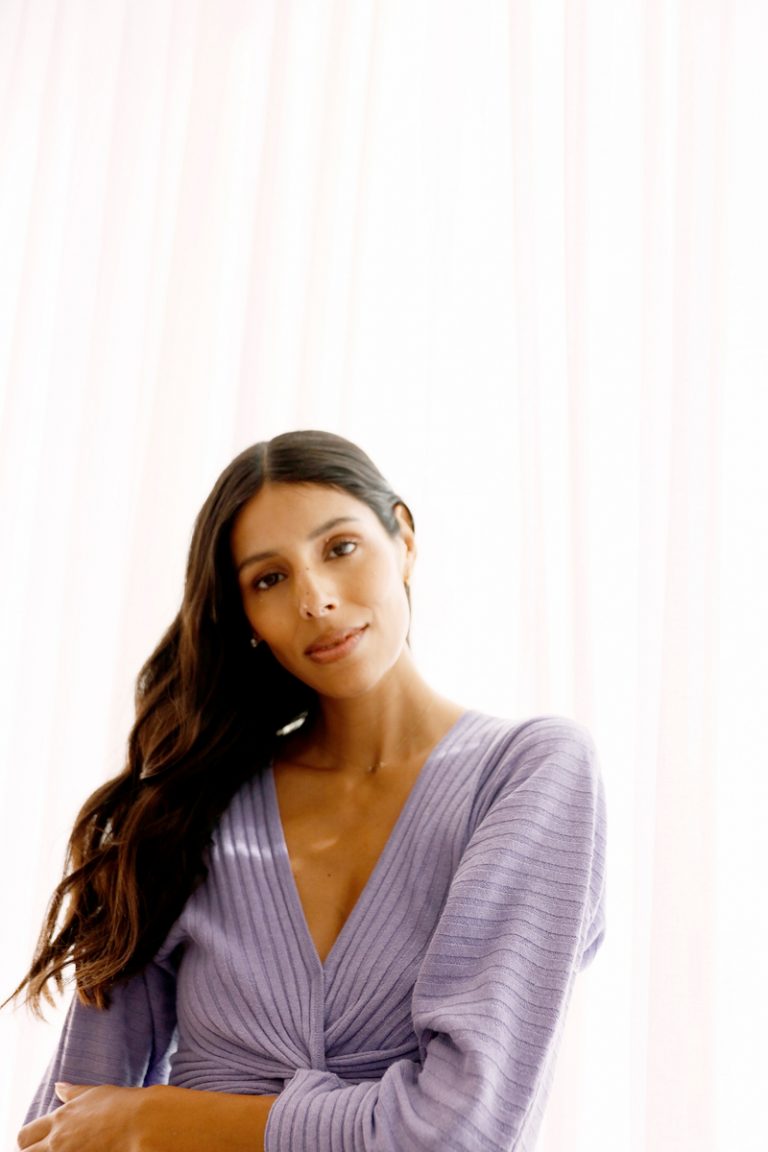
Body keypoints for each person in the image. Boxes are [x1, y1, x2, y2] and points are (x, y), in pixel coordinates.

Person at [12, 430, 607, 1151]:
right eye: (270, 579)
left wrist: (159, 1119)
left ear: (405, 539)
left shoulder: (531, 773)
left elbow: (461, 1130)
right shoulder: (185, 805)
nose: (316, 600)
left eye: (340, 548)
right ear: (247, 621)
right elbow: (69, 1121)